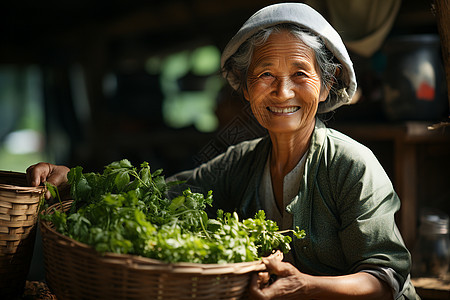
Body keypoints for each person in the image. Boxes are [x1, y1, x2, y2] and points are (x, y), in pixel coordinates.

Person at [27, 3, 419, 300]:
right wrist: (78, 183)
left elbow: (384, 277)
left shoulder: (350, 164)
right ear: (246, 89)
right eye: (266, 75)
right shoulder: (240, 162)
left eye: (300, 74)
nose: (283, 93)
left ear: (326, 85)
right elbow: (158, 198)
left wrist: (306, 285)